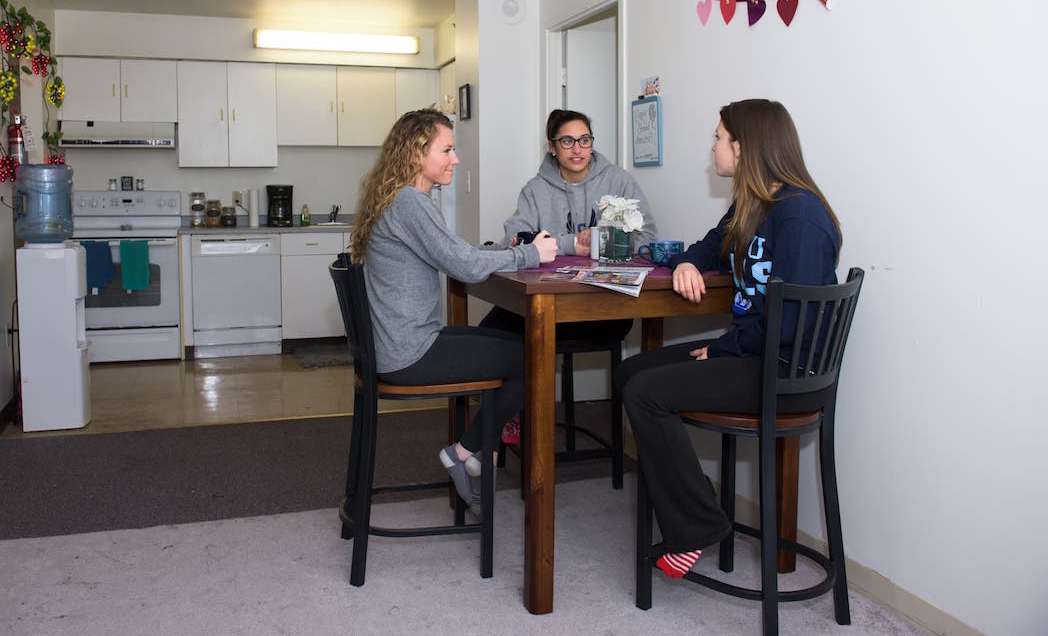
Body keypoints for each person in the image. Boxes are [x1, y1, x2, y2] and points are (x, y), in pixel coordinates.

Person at [612, 99, 841, 580]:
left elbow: (791, 322)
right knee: (633, 370)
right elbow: (705, 247)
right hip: (753, 353)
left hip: (782, 369)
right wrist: (689, 262)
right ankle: (696, 512)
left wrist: (720, 349)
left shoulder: (800, 217)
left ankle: (696, 526)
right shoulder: (752, 205)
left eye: (718, 136)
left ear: (742, 146)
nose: (713, 146)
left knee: (646, 392)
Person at [349, 108, 558, 509]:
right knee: (534, 355)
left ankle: (476, 452)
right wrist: (529, 254)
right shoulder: (410, 202)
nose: (455, 159)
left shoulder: (399, 198)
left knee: (509, 338)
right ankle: (465, 452)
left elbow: (458, 254)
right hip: (410, 353)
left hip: (398, 346)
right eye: (447, 150)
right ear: (416, 154)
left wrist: (506, 252)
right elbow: (463, 265)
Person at [481, 108, 657, 343]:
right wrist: (572, 244)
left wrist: (599, 242)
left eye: (584, 140)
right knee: (492, 332)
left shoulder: (619, 180)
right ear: (552, 147)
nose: (577, 149)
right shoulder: (535, 190)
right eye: (567, 141)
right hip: (547, 301)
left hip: (607, 305)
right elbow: (516, 238)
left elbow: (649, 238)